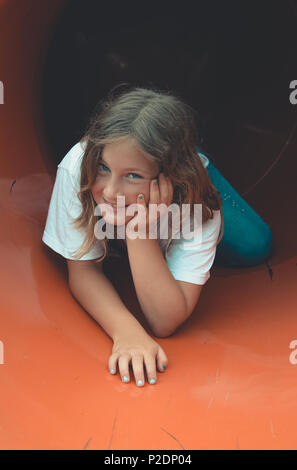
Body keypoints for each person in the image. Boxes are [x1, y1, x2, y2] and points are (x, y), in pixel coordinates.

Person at [42, 84, 272, 387]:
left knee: (256, 246)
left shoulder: (197, 207)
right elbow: (83, 269)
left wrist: (139, 232)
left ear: (168, 177)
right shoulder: (78, 169)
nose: (110, 191)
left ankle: (190, 156)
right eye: (104, 167)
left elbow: (165, 321)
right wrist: (127, 332)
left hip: (186, 178)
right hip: (157, 163)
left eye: (132, 175)